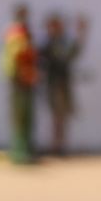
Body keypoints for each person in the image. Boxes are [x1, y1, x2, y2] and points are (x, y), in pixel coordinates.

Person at [39, 12, 87, 158]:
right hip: (54, 84)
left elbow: (72, 54)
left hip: (62, 84)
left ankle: (59, 146)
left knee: (62, 116)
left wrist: (81, 34)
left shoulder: (60, 43)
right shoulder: (49, 44)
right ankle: (56, 146)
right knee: (57, 116)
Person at [0, 3, 38, 165]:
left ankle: (24, 151)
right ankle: (19, 153)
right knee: (19, 118)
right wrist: (24, 73)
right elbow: (18, 56)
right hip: (18, 81)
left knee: (26, 118)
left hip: (25, 81)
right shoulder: (16, 32)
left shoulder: (23, 32)